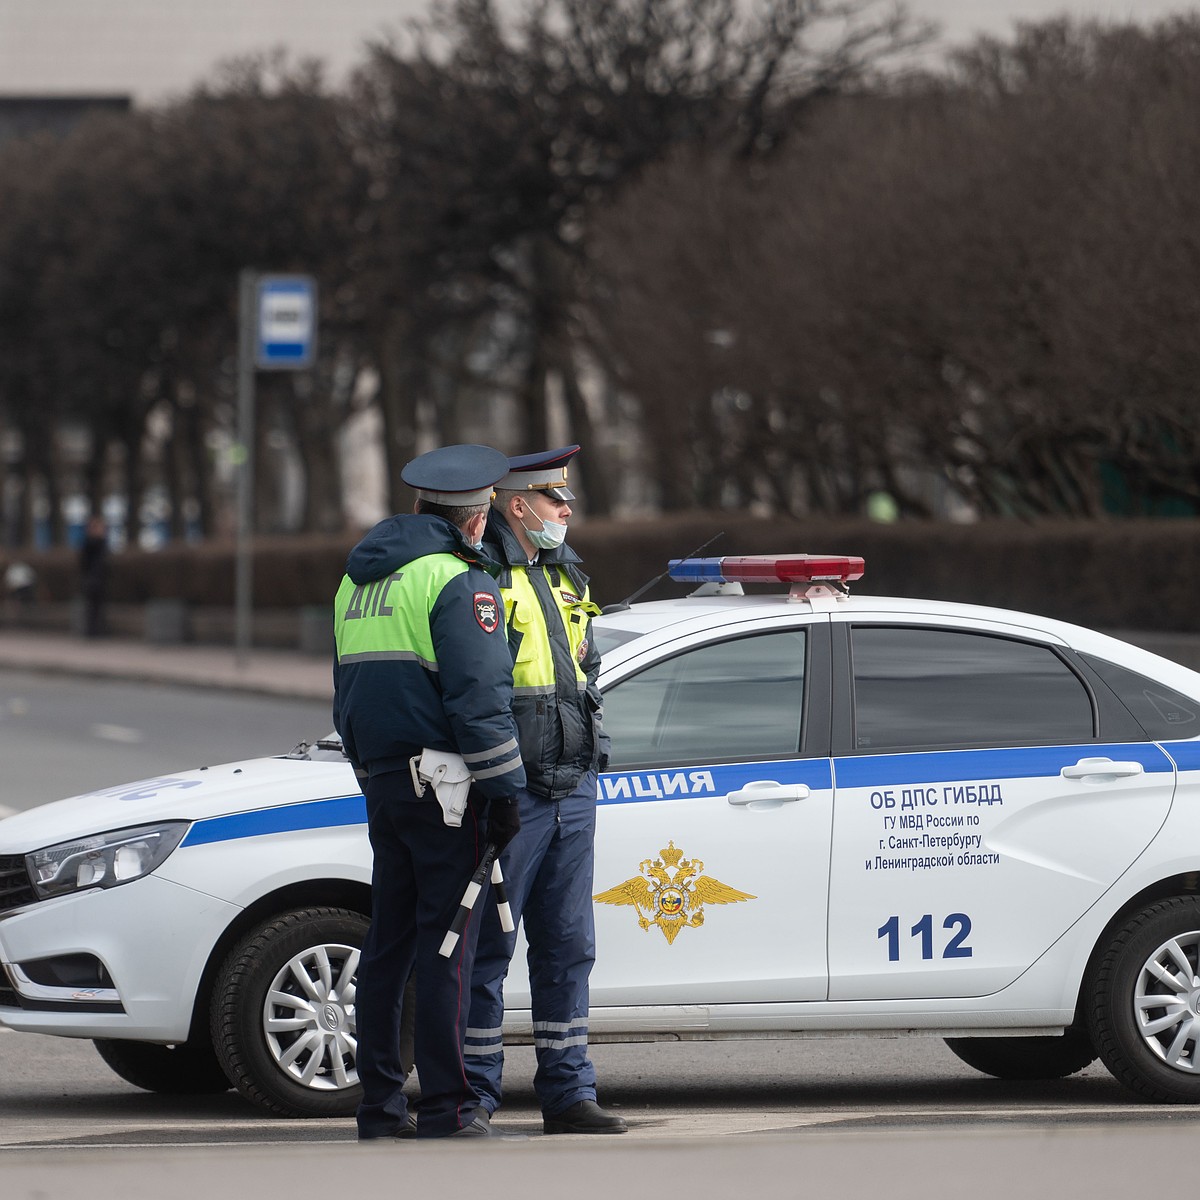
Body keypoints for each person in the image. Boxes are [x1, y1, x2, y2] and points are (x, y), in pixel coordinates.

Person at [333, 443, 526, 1141]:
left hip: (385, 782)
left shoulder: (358, 583)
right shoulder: (458, 581)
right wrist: (505, 790)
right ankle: (447, 1107)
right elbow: (480, 698)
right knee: (449, 947)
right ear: (474, 522)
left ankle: (380, 1106)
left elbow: (349, 693)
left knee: (387, 949)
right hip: (450, 788)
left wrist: (370, 771)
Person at [464, 445, 627, 1135]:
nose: (567, 511)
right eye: (556, 501)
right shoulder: (485, 578)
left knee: (568, 947)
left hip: (571, 787)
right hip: (515, 793)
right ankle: (473, 1097)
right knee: (489, 949)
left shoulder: (564, 574)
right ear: (518, 504)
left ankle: (568, 1093)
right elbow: (479, 692)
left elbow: (581, 676)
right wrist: (499, 786)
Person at [79, 515, 108, 638]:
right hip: (94, 578)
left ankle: (95, 630)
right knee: (93, 607)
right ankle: (92, 631)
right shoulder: (93, 542)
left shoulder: (92, 542)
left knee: (95, 607)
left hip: (96, 577)